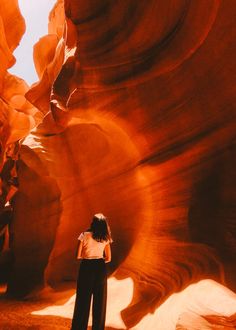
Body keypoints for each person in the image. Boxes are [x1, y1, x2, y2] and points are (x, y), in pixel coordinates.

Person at [71, 213, 112, 330]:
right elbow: (108, 258)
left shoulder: (84, 235)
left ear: (93, 222)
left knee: (83, 300)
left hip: (86, 267)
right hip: (100, 267)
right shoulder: (106, 237)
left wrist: (88, 255)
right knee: (100, 301)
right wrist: (98, 257)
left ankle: (79, 327)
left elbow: (77, 255)